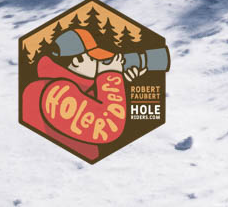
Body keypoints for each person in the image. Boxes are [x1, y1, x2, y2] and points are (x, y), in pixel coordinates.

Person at [21, 27, 147, 161]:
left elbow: (88, 105)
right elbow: (108, 128)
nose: (100, 64)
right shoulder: (54, 91)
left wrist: (120, 82)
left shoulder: (66, 86)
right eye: (94, 59)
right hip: (60, 166)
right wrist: (110, 77)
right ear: (77, 61)